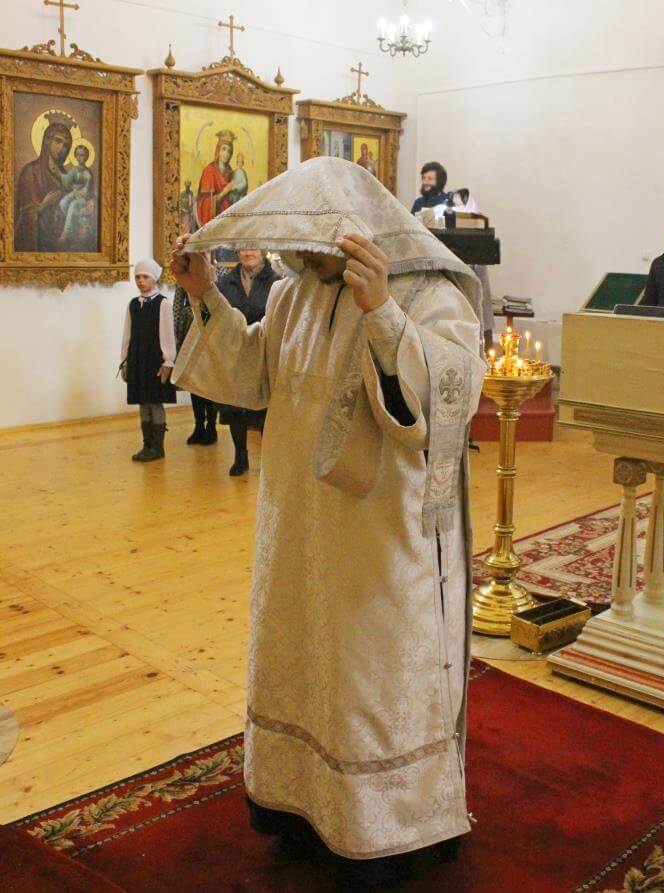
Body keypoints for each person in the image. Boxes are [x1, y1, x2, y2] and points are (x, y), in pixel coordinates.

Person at [171, 157, 484, 886]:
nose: (299, 256)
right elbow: (250, 374)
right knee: (301, 659)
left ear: (353, 228)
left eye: (312, 241)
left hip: (381, 544)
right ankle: (299, 807)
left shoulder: (430, 293)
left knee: (368, 680)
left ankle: (389, 828)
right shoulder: (294, 297)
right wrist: (205, 293)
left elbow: (452, 396)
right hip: (298, 527)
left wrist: (383, 313)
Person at [215, 249, 281, 475]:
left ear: (262, 251)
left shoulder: (276, 282)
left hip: (263, 352)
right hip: (235, 352)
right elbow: (220, 314)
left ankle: (269, 460)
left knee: (264, 409)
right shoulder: (225, 283)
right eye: (243, 247)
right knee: (235, 408)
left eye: (253, 247)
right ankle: (240, 457)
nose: (248, 252)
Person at [120, 258, 176, 462]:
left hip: (154, 361)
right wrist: (124, 361)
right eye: (137, 277)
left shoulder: (163, 304)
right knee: (142, 402)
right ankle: (147, 445)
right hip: (137, 359)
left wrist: (168, 361)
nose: (140, 281)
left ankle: (158, 447)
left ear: (154, 278)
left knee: (154, 402)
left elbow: (167, 334)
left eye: (145, 276)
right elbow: (127, 334)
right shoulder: (133, 305)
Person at [14, 112, 74, 252]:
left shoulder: (65, 175)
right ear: (47, 141)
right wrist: (44, 205)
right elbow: (24, 215)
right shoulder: (31, 171)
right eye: (58, 141)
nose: (61, 148)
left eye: (66, 145)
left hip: (62, 242)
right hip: (40, 242)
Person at [173, 262, 218, 447]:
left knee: (210, 381)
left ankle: (212, 426)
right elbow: (177, 306)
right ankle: (199, 425)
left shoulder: (220, 272)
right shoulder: (185, 274)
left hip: (213, 333)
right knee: (194, 382)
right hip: (189, 331)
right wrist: (177, 334)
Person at [195, 130, 236, 227]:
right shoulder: (209, 171)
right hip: (213, 220)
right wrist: (224, 192)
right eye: (223, 149)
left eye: (229, 151)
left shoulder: (231, 173)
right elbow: (203, 203)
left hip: (228, 218)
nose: (226, 154)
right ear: (218, 150)